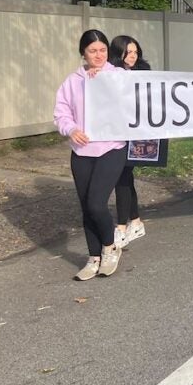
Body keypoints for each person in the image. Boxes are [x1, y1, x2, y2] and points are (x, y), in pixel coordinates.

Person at [54, 29, 128, 280]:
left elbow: (129, 100)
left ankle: (110, 247)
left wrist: (104, 81)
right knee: (87, 206)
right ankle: (93, 256)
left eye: (103, 50)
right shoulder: (72, 81)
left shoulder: (117, 75)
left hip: (112, 147)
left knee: (97, 202)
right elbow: (61, 112)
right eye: (93, 51)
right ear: (83, 53)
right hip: (82, 150)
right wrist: (71, 129)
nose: (98, 55)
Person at [109, 35, 151, 248]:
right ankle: (135, 221)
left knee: (123, 175)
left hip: (135, 133)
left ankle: (122, 227)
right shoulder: (108, 73)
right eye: (128, 52)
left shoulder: (143, 72)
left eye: (136, 52)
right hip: (114, 133)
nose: (133, 56)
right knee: (124, 176)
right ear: (118, 53)